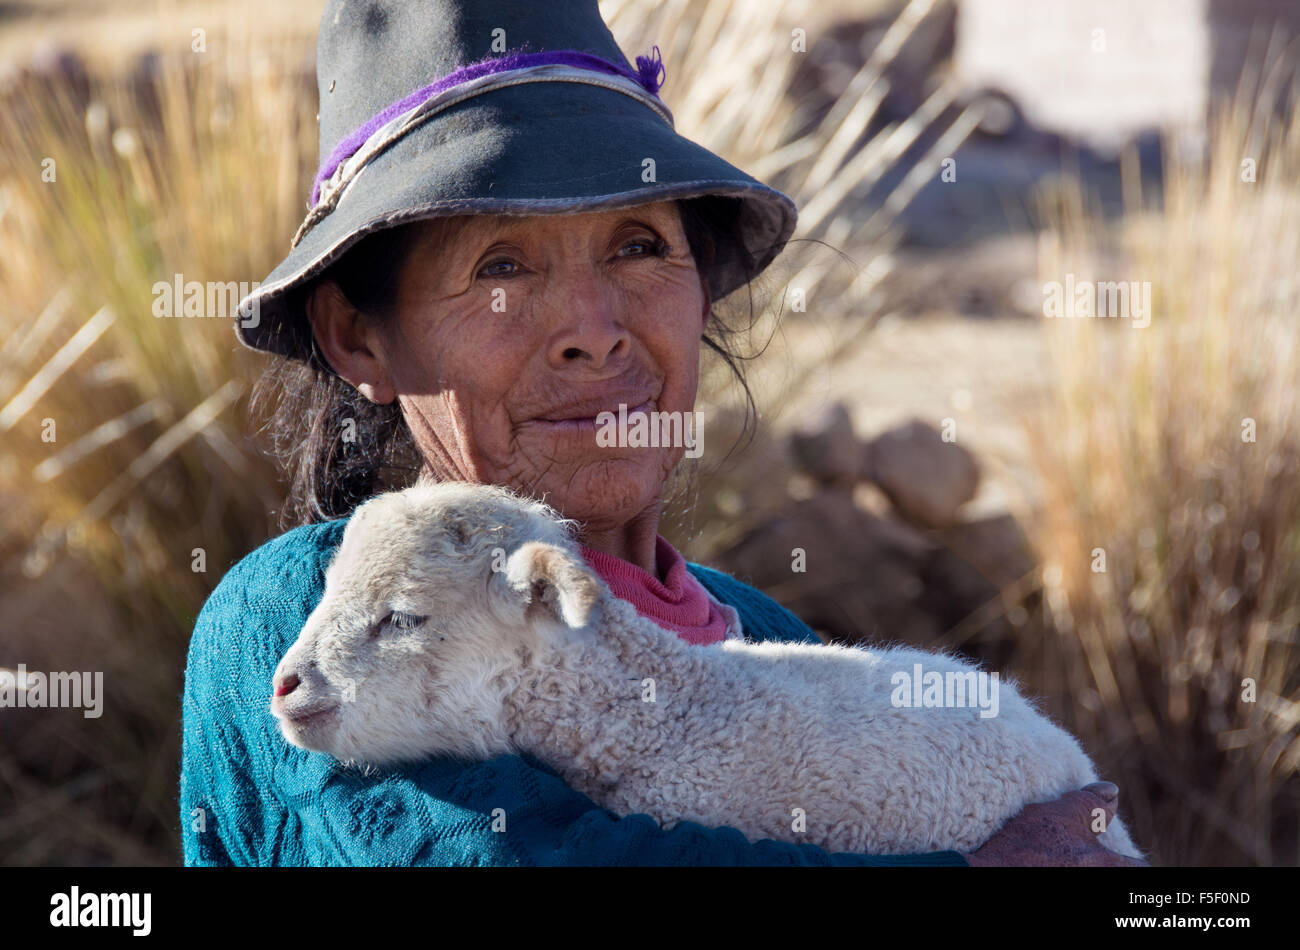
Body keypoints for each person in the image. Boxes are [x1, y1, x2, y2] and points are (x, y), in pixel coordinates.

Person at [179, 0, 1143, 866]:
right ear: (360, 337)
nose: (595, 332)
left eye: (638, 247)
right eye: (500, 267)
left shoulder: (761, 637)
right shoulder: (302, 619)